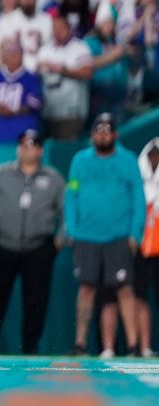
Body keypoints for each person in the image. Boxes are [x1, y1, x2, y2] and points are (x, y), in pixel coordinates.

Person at [0, 129, 66, 354]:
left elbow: (66, 211)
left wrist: (59, 240)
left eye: (32, 144)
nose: (27, 148)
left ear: (41, 149)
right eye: (23, 144)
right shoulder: (1, 174)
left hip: (38, 247)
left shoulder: (53, 178)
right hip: (1, 244)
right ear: (18, 148)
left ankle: (30, 348)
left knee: (36, 300)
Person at [67, 113, 146, 358]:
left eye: (107, 130)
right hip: (87, 235)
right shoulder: (80, 160)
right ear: (92, 134)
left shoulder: (127, 160)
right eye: (98, 130)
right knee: (86, 289)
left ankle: (133, 346)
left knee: (124, 289)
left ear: (115, 134)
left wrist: (135, 233)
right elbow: (72, 194)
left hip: (119, 235)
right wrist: (72, 228)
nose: (102, 134)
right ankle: (80, 343)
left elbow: (138, 199)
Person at [136, 138, 159, 357]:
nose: (154, 159)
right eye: (151, 154)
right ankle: (143, 346)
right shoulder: (138, 183)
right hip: (142, 248)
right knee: (140, 297)